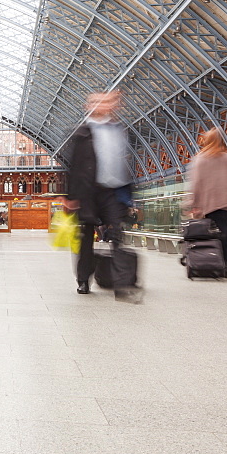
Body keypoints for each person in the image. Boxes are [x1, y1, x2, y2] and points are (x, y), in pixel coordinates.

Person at [65, 90, 142, 303]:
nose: (104, 105)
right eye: (99, 102)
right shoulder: (82, 133)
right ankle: (83, 279)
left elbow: (126, 162)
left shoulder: (120, 130)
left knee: (117, 234)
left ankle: (123, 281)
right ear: (89, 106)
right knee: (86, 238)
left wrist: (129, 195)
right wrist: (71, 196)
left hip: (113, 190)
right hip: (89, 192)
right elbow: (73, 166)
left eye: (108, 101)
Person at [185, 127, 227, 269]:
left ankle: (215, 261)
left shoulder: (200, 159)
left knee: (212, 234)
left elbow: (196, 183)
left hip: (210, 205)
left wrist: (193, 203)